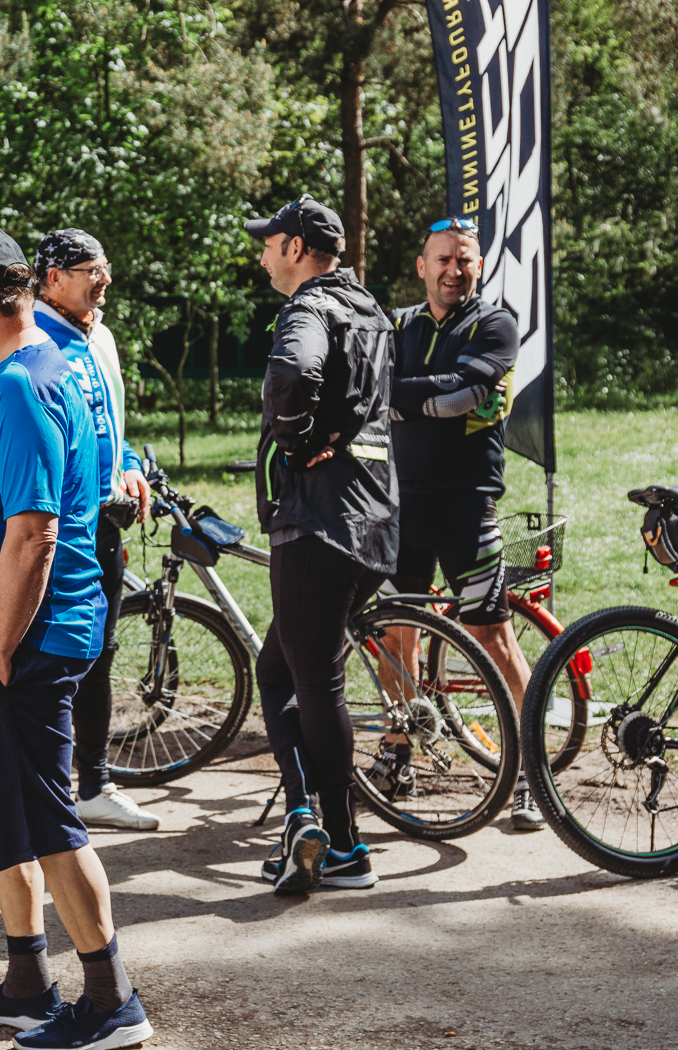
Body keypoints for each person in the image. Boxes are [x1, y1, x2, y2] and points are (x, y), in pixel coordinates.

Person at [0, 225, 151, 1049]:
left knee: (50, 821)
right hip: (5, 627)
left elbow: (35, 529)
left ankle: (114, 1001)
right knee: (0, 811)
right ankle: (26, 978)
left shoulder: (17, 384)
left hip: (26, 635)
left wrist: (2, 642)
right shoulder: (42, 363)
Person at [247, 195, 398, 895]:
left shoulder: (308, 308)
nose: (262, 253)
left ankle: (343, 846)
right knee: (278, 668)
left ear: (299, 247)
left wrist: (295, 437)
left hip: (320, 518)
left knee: (314, 679)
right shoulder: (370, 307)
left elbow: (294, 375)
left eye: (269, 242)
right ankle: (304, 814)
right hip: (376, 517)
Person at [387, 217, 540, 830]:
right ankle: (398, 752)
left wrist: (393, 395)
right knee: (397, 634)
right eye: (442, 259)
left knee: (491, 637)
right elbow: (385, 391)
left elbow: (462, 397)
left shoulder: (495, 324)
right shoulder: (398, 324)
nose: (454, 270)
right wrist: (409, 396)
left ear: (480, 266)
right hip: (400, 502)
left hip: (465, 504)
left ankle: (531, 772)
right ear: (422, 265)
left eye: (465, 261)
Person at [32, 229, 157, 832]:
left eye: (105, 266)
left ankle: (93, 783)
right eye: (89, 270)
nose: (103, 279)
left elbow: (113, 425)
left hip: (106, 524)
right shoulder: (35, 341)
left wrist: (129, 468)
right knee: (60, 654)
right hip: (60, 528)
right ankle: (45, 784)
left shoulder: (99, 335)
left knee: (100, 652)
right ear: (53, 279)